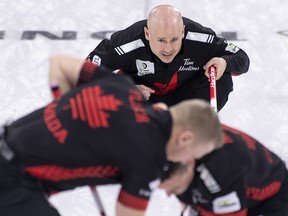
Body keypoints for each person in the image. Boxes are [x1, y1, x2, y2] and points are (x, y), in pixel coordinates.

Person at [0, 54, 224, 216]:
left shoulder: (122, 88)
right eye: (194, 154)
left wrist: (66, 110)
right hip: (14, 182)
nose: (188, 161)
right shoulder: (148, 158)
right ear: (185, 138)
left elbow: (60, 63)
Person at [86, 4, 250, 111]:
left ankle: (193, 133)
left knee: (223, 78)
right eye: (161, 40)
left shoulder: (200, 37)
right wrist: (124, 89)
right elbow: (85, 75)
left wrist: (224, 62)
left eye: (174, 39)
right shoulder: (125, 44)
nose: (168, 48)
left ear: (182, 32)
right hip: (140, 103)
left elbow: (241, 58)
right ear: (148, 34)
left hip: (185, 101)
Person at [160, 124, 288, 216]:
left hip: (271, 196)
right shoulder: (176, 148)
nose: (168, 194)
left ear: (188, 163)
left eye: (174, 188)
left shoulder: (221, 172)